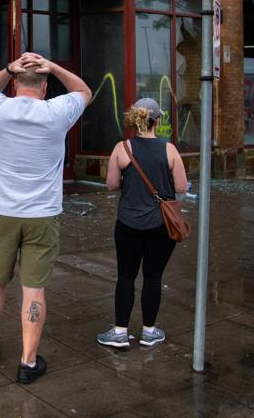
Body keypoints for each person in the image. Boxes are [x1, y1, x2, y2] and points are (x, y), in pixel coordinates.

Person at [0, 52, 91, 384]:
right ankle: (28, 363)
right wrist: (53, 67)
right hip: (42, 215)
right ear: (44, 88)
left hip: (1, 212)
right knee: (33, 290)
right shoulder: (57, 112)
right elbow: (84, 91)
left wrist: (9, 67)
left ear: (14, 85)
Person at [96, 97, 187, 349]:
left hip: (128, 224)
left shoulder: (121, 148)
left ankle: (120, 332)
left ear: (134, 120)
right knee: (153, 277)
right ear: (157, 121)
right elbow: (180, 187)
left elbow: (111, 185)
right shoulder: (169, 149)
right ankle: (149, 332)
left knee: (126, 276)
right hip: (161, 225)